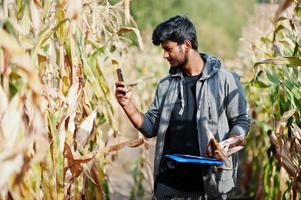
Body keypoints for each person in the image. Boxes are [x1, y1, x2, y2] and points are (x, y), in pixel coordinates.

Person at [115, 15, 251, 200]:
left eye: (168, 49)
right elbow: (149, 128)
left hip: (208, 183)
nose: (164, 55)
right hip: (168, 183)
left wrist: (226, 145)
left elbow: (241, 121)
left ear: (186, 45)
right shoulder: (165, 85)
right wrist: (127, 104)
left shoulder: (225, 80)